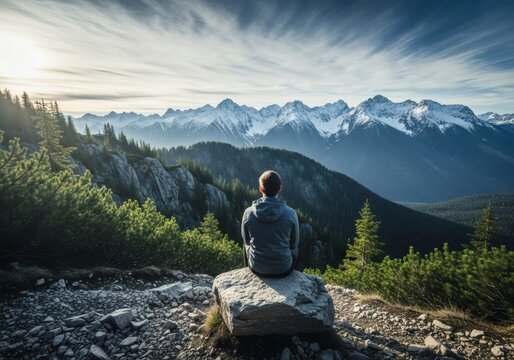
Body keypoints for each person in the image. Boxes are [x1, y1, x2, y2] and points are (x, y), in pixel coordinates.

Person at [241, 170, 300, 277]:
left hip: (257, 268)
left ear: (260, 189)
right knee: (296, 250)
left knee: (245, 246)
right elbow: (294, 244)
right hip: (283, 269)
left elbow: (246, 241)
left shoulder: (248, 212)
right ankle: (295, 277)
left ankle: (247, 271)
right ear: (280, 189)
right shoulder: (290, 213)